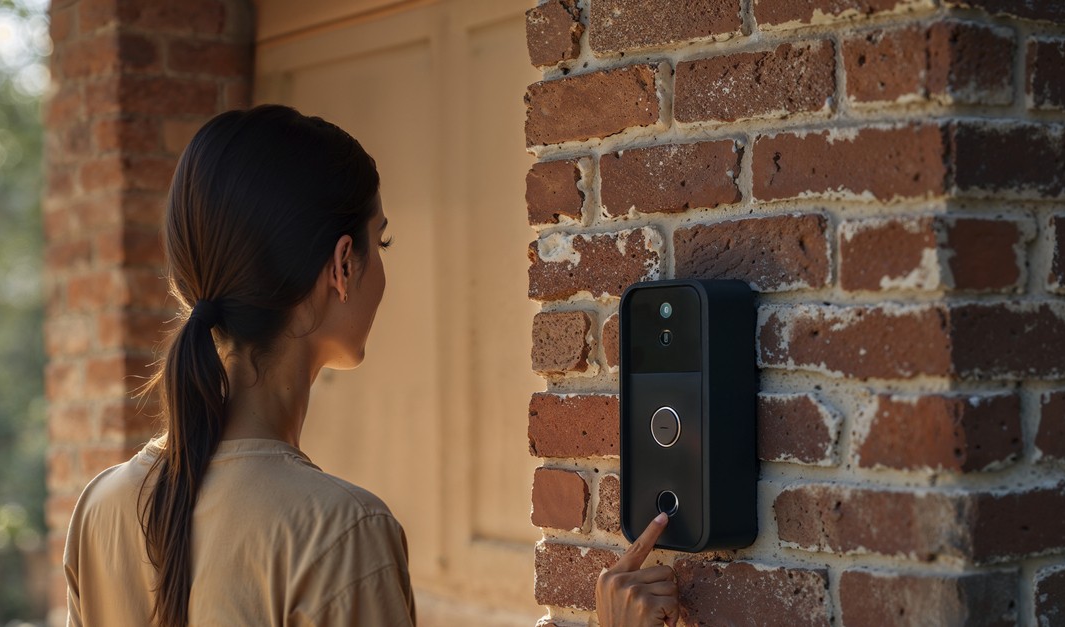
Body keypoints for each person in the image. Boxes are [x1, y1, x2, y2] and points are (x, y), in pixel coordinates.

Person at [62, 104, 680, 626]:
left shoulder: (103, 507)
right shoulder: (341, 531)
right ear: (342, 265)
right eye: (379, 241)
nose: (382, 270)